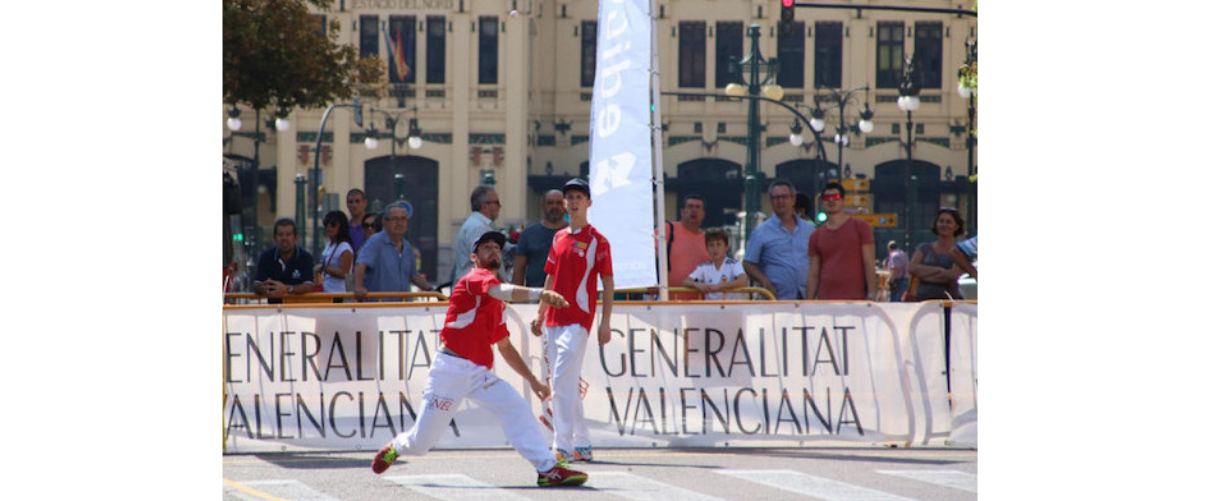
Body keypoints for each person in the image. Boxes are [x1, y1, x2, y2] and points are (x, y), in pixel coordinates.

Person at [370, 231, 590, 488]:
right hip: (449, 371)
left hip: (478, 374)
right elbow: (502, 289)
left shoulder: (496, 302)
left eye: (496, 247)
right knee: (420, 443)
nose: (493, 251)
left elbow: (505, 346)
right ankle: (396, 446)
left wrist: (533, 381)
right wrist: (541, 293)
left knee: (517, 409)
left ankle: (547, 469)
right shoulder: (474, 278)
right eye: (486, 247)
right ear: (474, 257)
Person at [531, 178, 613, 463]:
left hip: (579, 318)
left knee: (562, 382)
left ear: (588, 202)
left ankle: (561, 444)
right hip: (554, 319)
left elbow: (608, 281)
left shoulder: (598, 241)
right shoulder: (558, 238)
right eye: (570, 197)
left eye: (579, 196)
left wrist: (605, 322)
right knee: (565, 381)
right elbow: (550, 277)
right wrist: (541, 312)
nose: (574, 201)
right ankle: (583, 442)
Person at [742, 180, 814, 300]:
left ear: (793, 199)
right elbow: (748, 263)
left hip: (806, 298)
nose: (780, 201)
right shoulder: (761, 232)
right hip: (776, 299)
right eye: (776, 198)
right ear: (771, 201)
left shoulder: (809, 230)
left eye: (784, 197)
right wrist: (765, 282)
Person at [806, 182, 878, 300]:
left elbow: (869, 263)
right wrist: (808, 303)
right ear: (822, 203)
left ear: (843, 200)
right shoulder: (816, 236)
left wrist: (871, 295)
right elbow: (813, 274)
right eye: (827, 198)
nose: (831, 200)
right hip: (826, 301)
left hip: (855, 300)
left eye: (836, 197)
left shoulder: (861, 227)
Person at [354, 202, 433, 302]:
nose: (399, 223)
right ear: (384, 222)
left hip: (402, 308)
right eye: (395, 219)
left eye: (403, 219)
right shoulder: (375, 242)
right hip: (379, 307)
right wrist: (358, 287)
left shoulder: (407, 246)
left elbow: (414, 275)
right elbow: (360, 265)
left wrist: (431, 290)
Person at [908, 208, 967, 301]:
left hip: (949, 303)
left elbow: (953, 276)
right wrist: (941, 271)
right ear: (936, 224)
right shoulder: (924, 248)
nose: (944, 225)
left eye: (948, 222)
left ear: (956, 227)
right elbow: (912, 268)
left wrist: (923, 275)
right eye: (941, 221)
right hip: (923, 303)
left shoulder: (960, 251)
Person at [512, 189, 567, 287]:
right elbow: (518, 271)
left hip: (566, 296)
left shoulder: (574, 234)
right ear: (543, 206)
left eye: (559, 203)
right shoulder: (528, 234)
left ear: (565, 205)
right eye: (550, 203)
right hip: (534, 296)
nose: (554, 206)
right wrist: (516, 300)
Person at [253, 218, 315, 304]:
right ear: (275, 238)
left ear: (295, 238)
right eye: (280, 234)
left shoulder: (305, 257)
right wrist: (263, 288)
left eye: (288, 234)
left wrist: (287, 289)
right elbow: (257, 284)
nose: (284, 238)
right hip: (273, 311)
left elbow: (309, 286)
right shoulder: (266, 256)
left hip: (299, 311)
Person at [452, 185, 501, 286]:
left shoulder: (476, 224)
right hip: (476, 290)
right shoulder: (479, 227)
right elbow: (487, 261)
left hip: (475, 287)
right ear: (484, 206)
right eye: (496, 203)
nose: (500, 206)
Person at [663, 194, 710, 299]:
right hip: (667, 303)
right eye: (690, 206)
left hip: (700, 306)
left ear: (703, 214)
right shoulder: (667, 230)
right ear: (682, 211)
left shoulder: (710, 240)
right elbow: (650, 257)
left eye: (698, 207)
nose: (694, 210)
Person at [683, 228, 749, 300]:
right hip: (711, 309)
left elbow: (743, 281)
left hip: (732, 309)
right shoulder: (704, 267)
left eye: (719, 244)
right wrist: (698, 285)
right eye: (711, 245)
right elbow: (686, 282)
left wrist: (718, 287)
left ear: (726, 247)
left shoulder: (734, 264)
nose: (715, 249)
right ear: (707, 248)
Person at [315, 210, 355, 300]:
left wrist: (324, 268)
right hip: (326, 292)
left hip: (339, 293)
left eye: (333, 224)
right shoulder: (329, 244)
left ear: (341, 226)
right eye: (326, 223)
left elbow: (344, 273)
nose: (329, 227)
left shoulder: (344, 247)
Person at [346, 189, 369, 253]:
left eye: (357, 201)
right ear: (347, 205)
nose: (354, 205)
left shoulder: (371, 226)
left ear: (365, 203)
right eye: (351, 202)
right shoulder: (345, 228)